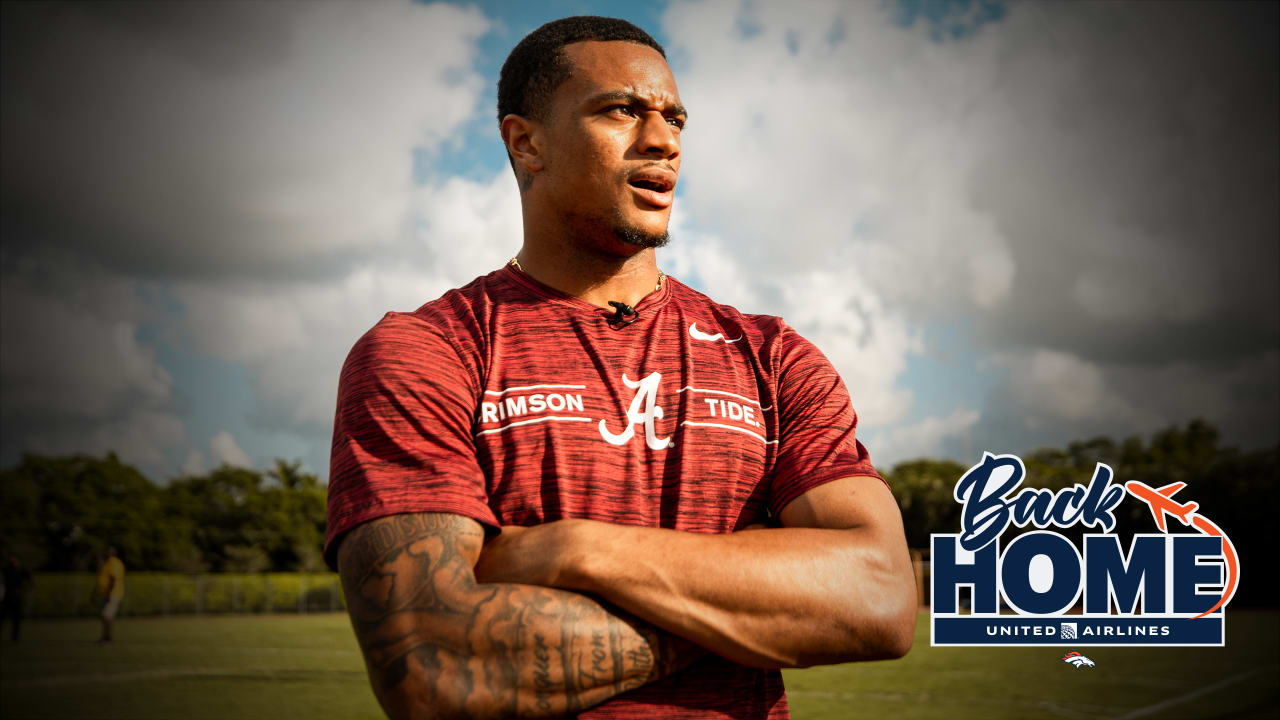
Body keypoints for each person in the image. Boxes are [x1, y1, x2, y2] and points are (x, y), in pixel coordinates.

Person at [326, 15, 916, 720]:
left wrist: (578, 549)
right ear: (527, 142)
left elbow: (881, 600)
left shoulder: (773, 357)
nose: (663, 140)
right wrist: (760, 602)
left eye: (674, 119)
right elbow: (432, 666)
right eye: (621, 110)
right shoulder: (427, 352)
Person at [95, 546, 125, 643]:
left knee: (107, 615)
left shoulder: (114, 563)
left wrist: (108, 593)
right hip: (106, 594)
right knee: (105, 616)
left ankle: (107, 638)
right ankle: (105, 637)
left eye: (107, 551)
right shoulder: (107, 563)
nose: (105, 553)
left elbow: (113, 579)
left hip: (112, 594)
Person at [1, 554, 33, 643]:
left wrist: (23, 588)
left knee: (17, 618)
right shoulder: (6, 570)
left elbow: (29, 580)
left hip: (17, 597)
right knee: (3, 617)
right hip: (7, 597)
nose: (13, 561)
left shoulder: (21, 570)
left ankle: (14, 638)